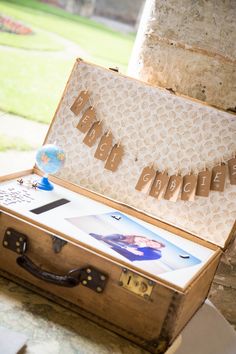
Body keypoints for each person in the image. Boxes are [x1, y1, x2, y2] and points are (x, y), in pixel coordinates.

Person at [89, 233, 165, 262]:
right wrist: (127, 247)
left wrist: (128, 248)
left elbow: (138, 255)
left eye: (155, 246)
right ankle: (98, 237)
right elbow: (107, 239)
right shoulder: (124, 239)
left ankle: (99, 237)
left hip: (120, 256)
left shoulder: (154, 253)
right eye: (154, 243)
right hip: (113, 248)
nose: (153, 244)